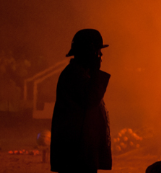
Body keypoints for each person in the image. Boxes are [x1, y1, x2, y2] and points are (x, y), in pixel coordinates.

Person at [50, 29, 112, 173]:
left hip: (80, 153)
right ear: (89, 52)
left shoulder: (80, 74)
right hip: (76, 155)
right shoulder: (74, 75)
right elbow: (91, 99)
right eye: (97, 51)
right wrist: (96, 71)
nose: (100, 55)